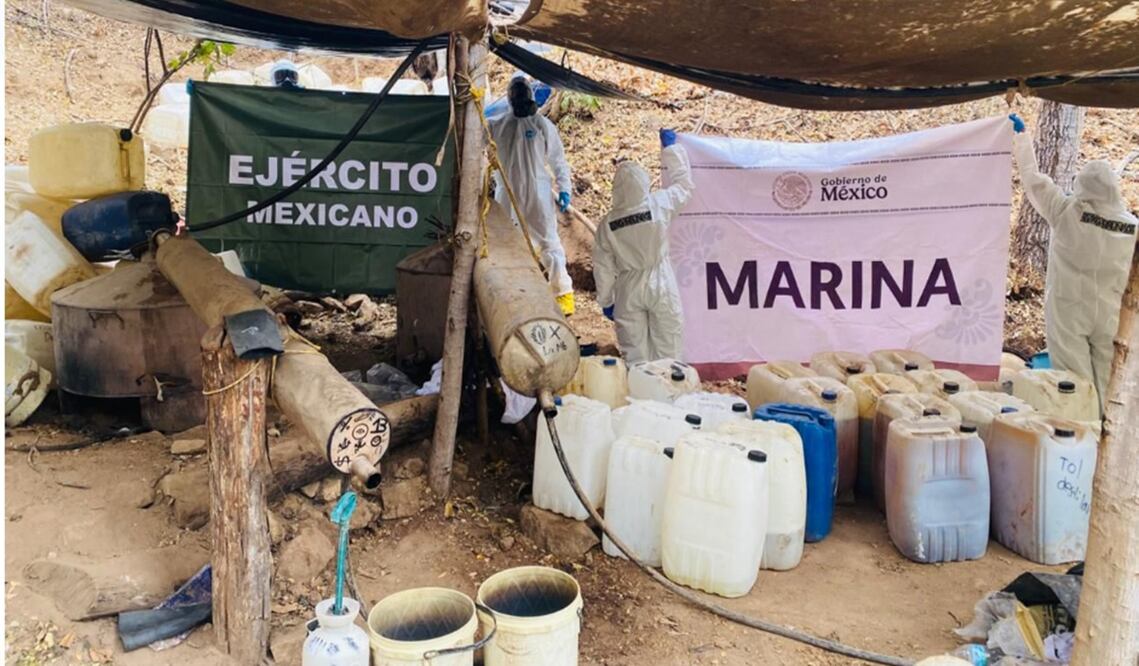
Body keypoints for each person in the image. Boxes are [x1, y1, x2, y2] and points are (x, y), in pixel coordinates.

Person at [1009, 113, 1137, 412]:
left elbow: (1032, 180)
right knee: (1108, 383)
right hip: (1111, 315)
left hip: (1069, 311)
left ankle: (1081, 437)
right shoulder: (1131, 227)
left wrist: (1022, 138)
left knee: (1073, 386)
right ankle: (1107, 440)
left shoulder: (1066, 211)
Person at [593, 129, 695, 363]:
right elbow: (685, 187)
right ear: (643, 183)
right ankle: (670, 396)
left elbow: (603, 267)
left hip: (628, 287)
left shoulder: (607, 224)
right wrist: (671, 150)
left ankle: (640, 396)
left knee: (636, 355)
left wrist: (607, 301)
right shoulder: (658, 204)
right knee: (669, 350)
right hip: (660, 281)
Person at [488, 76, 575, 315]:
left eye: (523, 94)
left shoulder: (542, 125)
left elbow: (558, 159)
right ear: (510, 99)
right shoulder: (497, 125)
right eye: (516, 95)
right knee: (507, 243)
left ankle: (562, 294)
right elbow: (480, 144)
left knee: (548, 240)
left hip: (538, 191)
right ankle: (513, 295)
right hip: (508, 192)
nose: (520, 100)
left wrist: (565, 187)